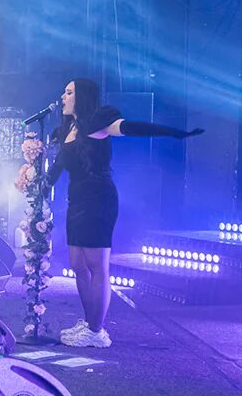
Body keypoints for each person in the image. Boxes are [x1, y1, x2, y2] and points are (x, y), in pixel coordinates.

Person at [46, 78, 204, 347]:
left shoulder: (98, 121)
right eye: (64, 91)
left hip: (98, 200)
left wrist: (176, 133)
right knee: (78, 265)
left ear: (82, 96)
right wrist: (39, 185)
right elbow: (57, 168)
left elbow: (133, 128)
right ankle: (89, 322)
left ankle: (97, 331)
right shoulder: (65, 130)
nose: (63, 96)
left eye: (69, 92)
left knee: (97, 266)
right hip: (76, 201)